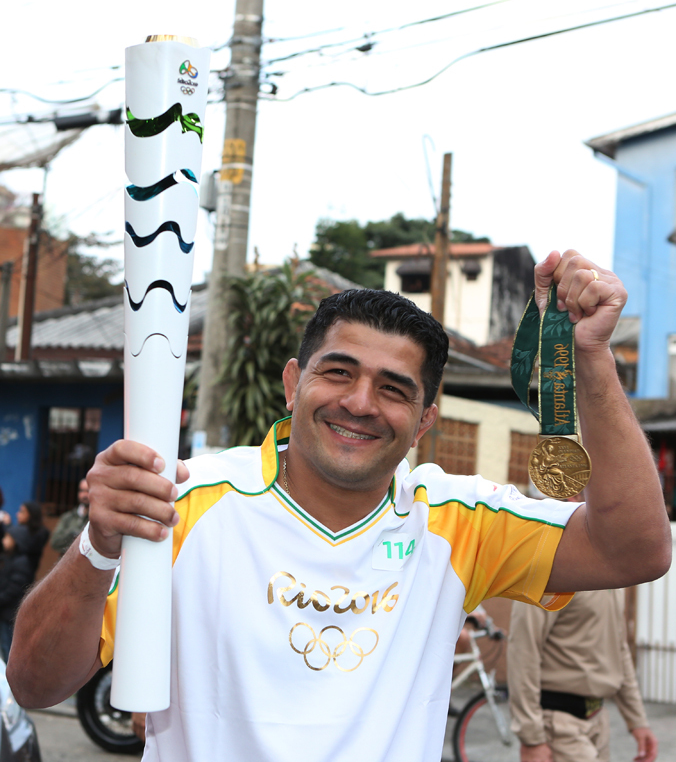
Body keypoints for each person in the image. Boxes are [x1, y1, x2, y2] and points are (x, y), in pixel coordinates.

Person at [6, 251, 672, 762]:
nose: (359, 402)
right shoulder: (188, 502)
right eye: (338, 372)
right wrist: (99, 546)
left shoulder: (455, 518)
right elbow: (35, 684)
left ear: (424, 421)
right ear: (295, 383)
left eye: (392, 388)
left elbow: (636, 547)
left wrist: (590, 358)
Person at [508, 589, 659, 762]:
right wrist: (532, 739)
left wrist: (638, 721)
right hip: (559, 726)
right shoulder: (551, 575)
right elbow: (523, 653)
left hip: (598, 720)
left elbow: (619, 649)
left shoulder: (613, 578)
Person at [0, 530, 33, 662]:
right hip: (5, 611)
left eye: (8, 537)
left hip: (10, 614)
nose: (4, 540)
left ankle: (10, 680)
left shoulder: (21, 562)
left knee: (8, 648)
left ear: (16, 540)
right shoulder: (10, 558)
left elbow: (13, 589)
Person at [50, 479, 90, 556]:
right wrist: (72, 533)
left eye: (88, 491)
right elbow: (55, 543)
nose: (84, 495)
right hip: (66, 563)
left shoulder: (96, 519)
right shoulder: (68, 517)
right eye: (81, 491)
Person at [10, 502, 49, 579]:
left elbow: (23, 543)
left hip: (22, 577)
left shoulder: (38, 533)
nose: (18, 514)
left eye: (22, 511)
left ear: (31, 514)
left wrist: (6, 525)